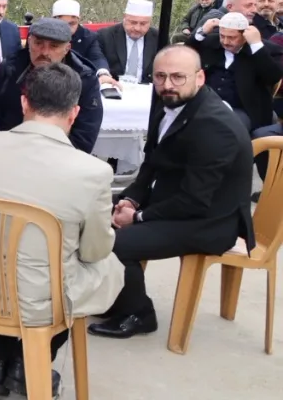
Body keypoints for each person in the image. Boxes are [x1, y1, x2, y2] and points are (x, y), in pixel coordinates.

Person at [0, 63, 123, 396]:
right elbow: (94, 251)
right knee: (106, 265)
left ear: (24, 102)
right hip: (39, 300)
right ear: (75, 113)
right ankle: (29, 362)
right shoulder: (93, 172)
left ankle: (0, 360)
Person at [89, 46, 256, 339]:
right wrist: (130, 199)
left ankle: (139, 314)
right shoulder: (168, 101)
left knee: (115, 243)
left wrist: (138, 217)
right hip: (176, 201)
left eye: (178, 77)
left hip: (210, 221)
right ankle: (120, 298)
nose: (168, 84)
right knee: (90, 212)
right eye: (160, 76)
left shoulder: (215, 125)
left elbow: (195, 201)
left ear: (200, 78)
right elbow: (152, 163)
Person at [0, 18, 103, 154]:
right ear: (29, 42)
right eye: (38, 43)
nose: (44, 52)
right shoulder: (11, 68)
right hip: (7, 148)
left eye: (54, 46)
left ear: (67, 48)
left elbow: (85, 134)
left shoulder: (84, 78)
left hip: (58, 156)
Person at [186, 12, 282, 132]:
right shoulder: (212, 42)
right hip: (206, 103)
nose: (225, 41)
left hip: (243, 109)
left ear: (245, 36)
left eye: (232, 37)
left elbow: (273, 77)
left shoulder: (265, 50)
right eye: (222, 36)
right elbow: (185, 55)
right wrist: (202, 32)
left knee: (224, 128)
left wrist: (256, 46)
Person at [97, 0, 159, 84]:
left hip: (147, 87)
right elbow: (97, 60)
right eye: (133, 22)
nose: (137, 28)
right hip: (113, 85)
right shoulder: (105, 36)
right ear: (124, 17)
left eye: (143, 24)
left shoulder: (158, 38)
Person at [51, 0, 110, 76]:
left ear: (78, 20)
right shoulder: (44, 35)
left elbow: (97, 58)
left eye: (72, 24)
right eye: (62, 24)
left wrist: (103, 73)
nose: (67, 28)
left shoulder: (88, 37)